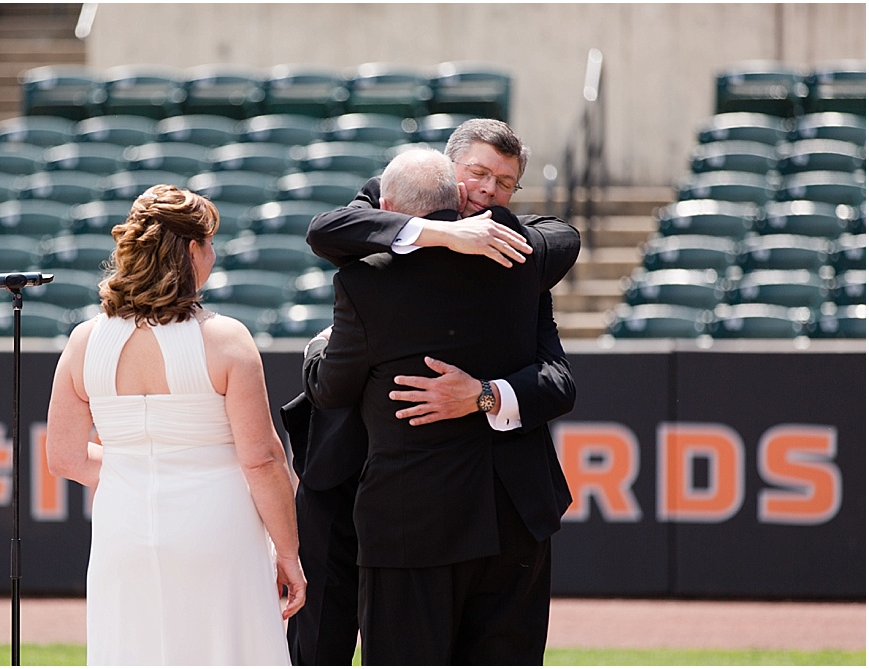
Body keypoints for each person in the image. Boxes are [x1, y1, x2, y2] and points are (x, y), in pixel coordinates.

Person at [286, 118, 578, 665]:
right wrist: (440, 232)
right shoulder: (382, 209)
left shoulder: (517, 259)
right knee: (319, 645)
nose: (489, 190)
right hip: (349, 479)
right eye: (478, 174)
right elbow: (326, 229)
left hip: (466, 504)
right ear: (448, 170)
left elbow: (562, 239)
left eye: (505, 182)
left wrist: (486, 395)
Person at [45, 184, 306, 665]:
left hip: (121, 535)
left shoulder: (84, 342)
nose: (212, 254)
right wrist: (288, 552)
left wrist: (137, 468)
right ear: (190, 250)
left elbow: (65, 457)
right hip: (218, 531)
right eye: (208, 243)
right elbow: (263, 458)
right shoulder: (226, 339)